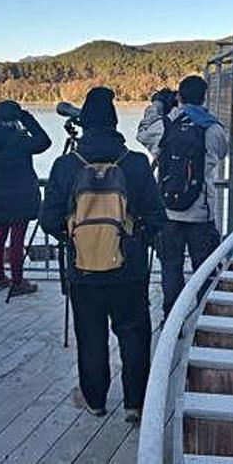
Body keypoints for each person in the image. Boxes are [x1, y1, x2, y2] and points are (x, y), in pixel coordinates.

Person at [41, 86, 166, 424]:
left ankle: (94, 400)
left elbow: (49, 219)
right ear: (114, 124)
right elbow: (158, 219)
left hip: (83, 272)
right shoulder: (136, 163)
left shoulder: (66, 165)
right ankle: (135, 405)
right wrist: (133, 241)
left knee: (91, 335)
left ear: (84, 125)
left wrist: (77, 238)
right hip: (129, 270)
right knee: (134, 333)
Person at [136, 76, 228, 319]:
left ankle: (171, 317)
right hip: (201, 212)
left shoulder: (166, 124)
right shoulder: (213, 128)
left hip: (168, 211)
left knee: (170, 267)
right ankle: (205, 318)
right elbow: (221, 151)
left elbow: (142, 132)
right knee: (204, 269)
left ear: (179, 96)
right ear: (204, 97)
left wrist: (156, 106)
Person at [0, 100, 52, 296]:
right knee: (17, 239)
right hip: (21, 192)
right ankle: (18, 281)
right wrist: (28, 119)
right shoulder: (19, 139)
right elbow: (45, 141)